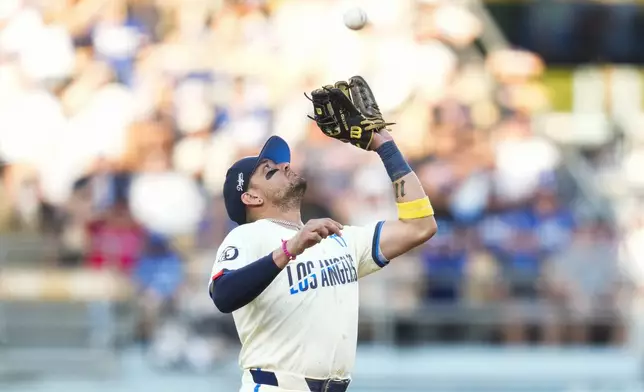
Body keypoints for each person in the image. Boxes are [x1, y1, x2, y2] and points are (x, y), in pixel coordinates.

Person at [208, 77, 437, 392]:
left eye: (282, 163)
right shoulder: (248, 237)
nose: (285, 167)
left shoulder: (337, 238)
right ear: (251, 198)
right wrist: (290, 248)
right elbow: (223, 295)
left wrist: (384, 145)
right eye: (270, 170)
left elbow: (420, 226)